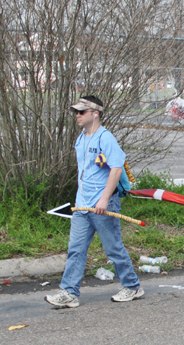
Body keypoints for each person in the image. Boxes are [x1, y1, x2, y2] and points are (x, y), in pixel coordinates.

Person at [45, 96, 143, 308]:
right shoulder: (81, 138)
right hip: (82, 206)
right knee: (76, 249)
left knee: (113, 249)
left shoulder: (106, 138)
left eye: (82, 112)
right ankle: (69, 292)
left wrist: (104, 199)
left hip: (103, 206)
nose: (77, 116)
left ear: (95, 113)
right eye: (76, 112)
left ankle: (132, 286)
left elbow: (116, 170)